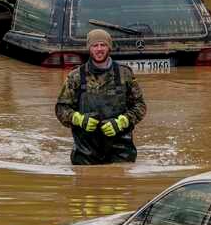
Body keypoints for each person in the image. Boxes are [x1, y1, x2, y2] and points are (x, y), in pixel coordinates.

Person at [55, 29, 147, 165]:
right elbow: (61, 109)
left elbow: (140, 106)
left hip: (121, 151)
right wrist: (78, 119)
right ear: (89, 48)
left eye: (103, 45)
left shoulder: (124, 74)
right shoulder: (75, 76)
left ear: (109, 47)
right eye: (95, 45)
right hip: (85, 152)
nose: (99, 49)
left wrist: (123, 121)